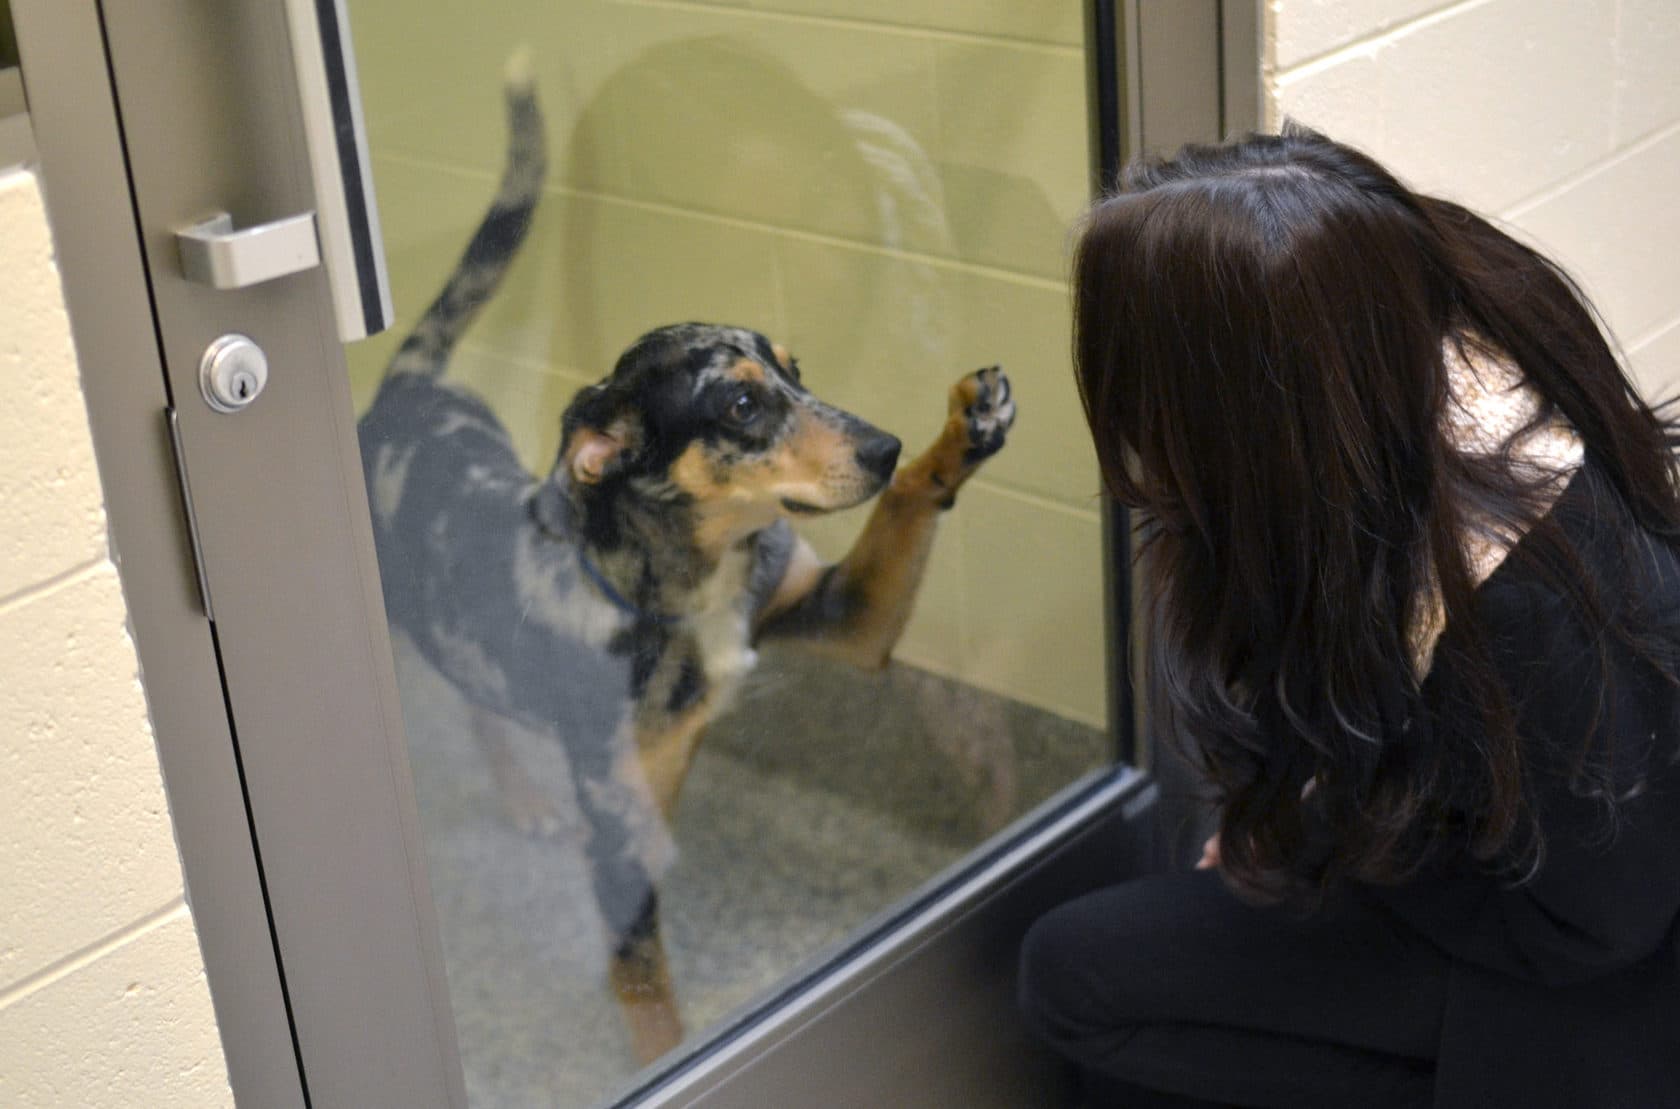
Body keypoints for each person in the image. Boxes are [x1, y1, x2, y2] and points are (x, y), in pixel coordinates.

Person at [1017, 125, 1680, 1108]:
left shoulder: (1530, 600)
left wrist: (1329, 848)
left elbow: (1597, 923)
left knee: (1074, 977)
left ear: (1239, 410)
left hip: (1591, 982)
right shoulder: (1423, 334)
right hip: (1499, 860)